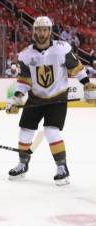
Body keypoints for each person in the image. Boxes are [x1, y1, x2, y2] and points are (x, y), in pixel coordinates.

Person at [6, 16, 96, 185]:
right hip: (35, 98)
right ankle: (23, 164)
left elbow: (77, 68)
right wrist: (16, 98)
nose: (42, 33)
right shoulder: (25, 55)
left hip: (57, 98)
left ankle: (62, 167)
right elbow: (24, 80)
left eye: (45, 29)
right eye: (38, 29)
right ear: (34, 32)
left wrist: (87, 85)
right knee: (25, 130)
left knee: (51, 130)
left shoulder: (61, 49)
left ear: (50, 31)